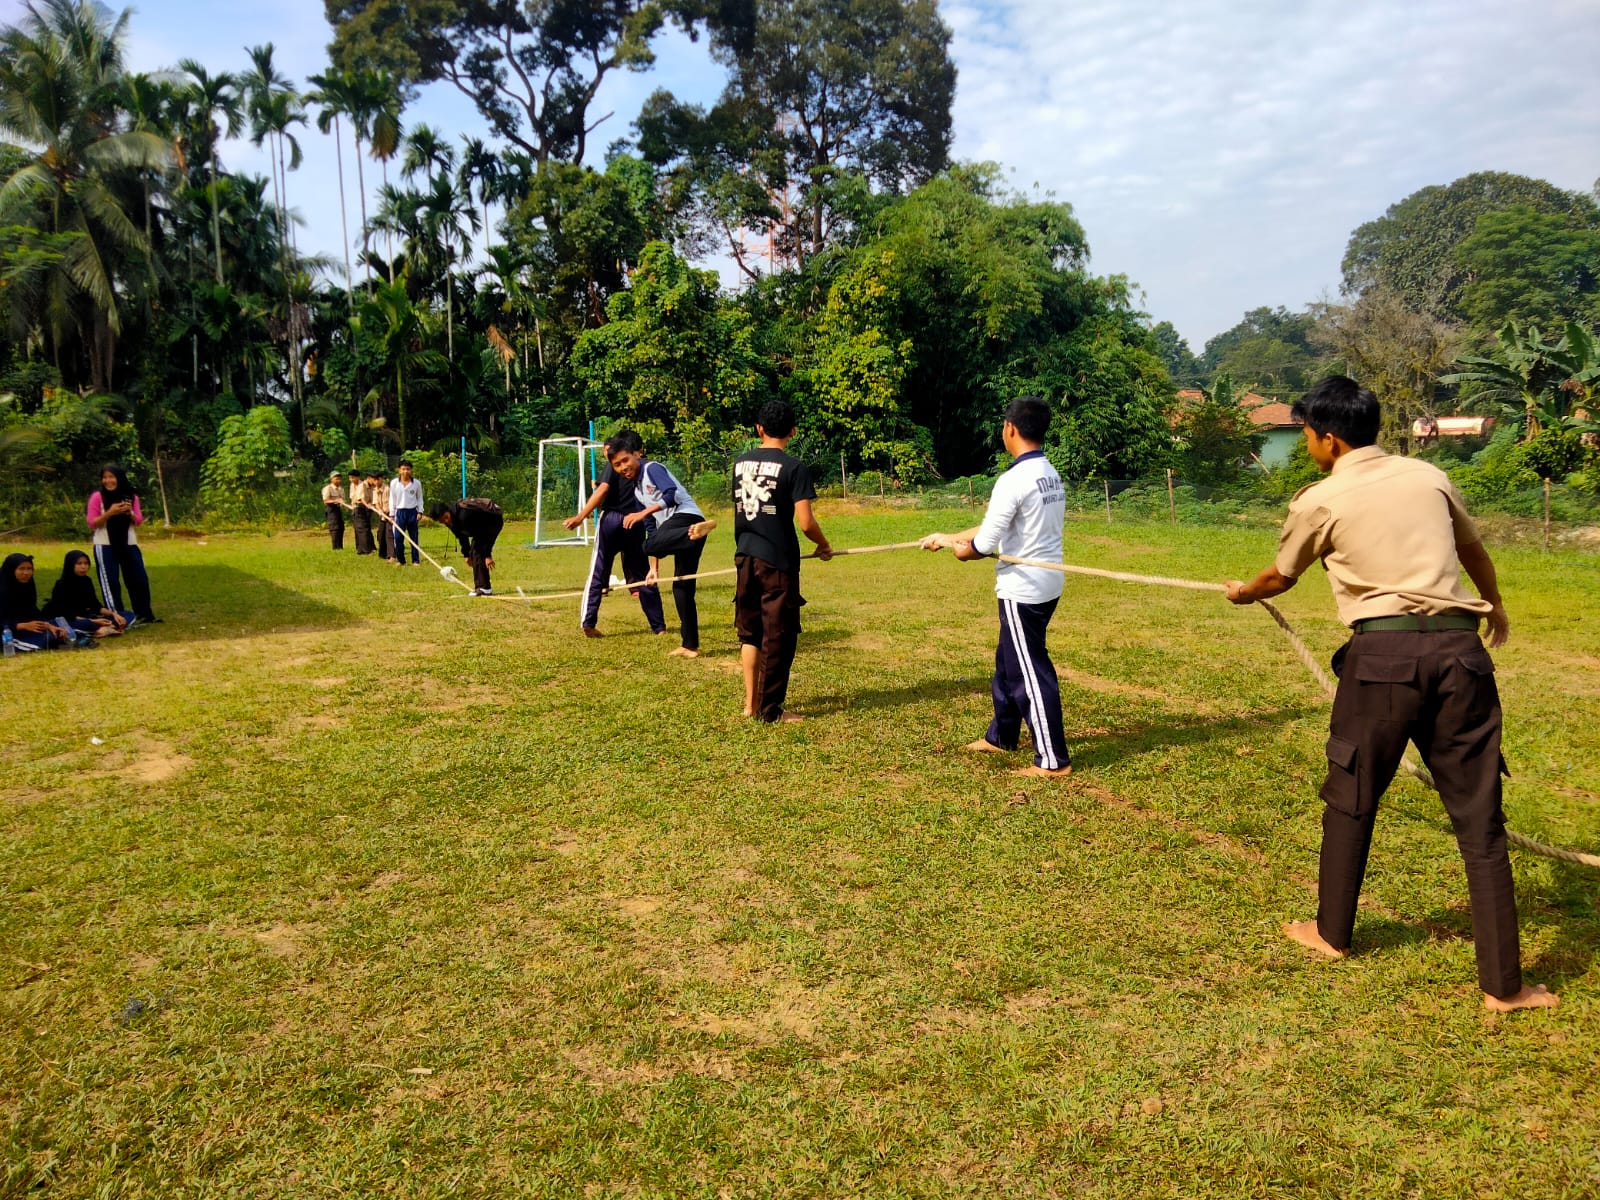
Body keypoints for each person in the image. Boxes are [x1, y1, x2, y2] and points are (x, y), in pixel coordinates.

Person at [1226, 375, 1557, 1013]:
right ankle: (1504, 986)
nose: (1306, 444)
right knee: (1481, 821)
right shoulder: (1428, 477)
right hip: (1462, 656)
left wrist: (1243, 592)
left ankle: (1330, 935)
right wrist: (1497, 610)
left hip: (1382, 661)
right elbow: (1473, 552)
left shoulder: (1319, 500)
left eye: (1306, 435)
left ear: (1327, 437)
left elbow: (1280, 575)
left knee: (1352, 796)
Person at [921, 395, 1070, 778]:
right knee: (1008, 663)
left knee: (1029, 672)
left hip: (1024, 589)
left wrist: (961, 551)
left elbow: (983, 546)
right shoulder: (1047, 473)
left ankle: (1053, 761)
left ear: (1010, 429)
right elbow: (994, 529)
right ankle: (1002, 736)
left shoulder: (1013, 479)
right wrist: (949, 536)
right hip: (1046, 581)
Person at [731, 400, 833, 721]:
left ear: (759, 429)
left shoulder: (739, 464)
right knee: (778, 636)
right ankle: (770, 710)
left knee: (751, 633)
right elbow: (806, 523)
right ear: (793, 430)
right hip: (777, 562)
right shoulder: (794, 468)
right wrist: (824, 545)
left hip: (745, 557)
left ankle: (750, 705)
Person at [609, 431, 713, 657]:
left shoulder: (652, 468)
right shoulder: (637, 490)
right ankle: (690, 645)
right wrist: (653, 570)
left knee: (647, 546)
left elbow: (672, 494)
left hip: (687, 520)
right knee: (682, 587)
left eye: (625, 460)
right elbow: (651, 529)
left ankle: (694, 532)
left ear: (636, 454)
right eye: (617, 465)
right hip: (686, 536)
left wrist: (644, 512)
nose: (623, 467)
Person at [564, 435, 668, 639]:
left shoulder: (615, 465)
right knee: (641, 573)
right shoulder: (648, 468)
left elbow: (602, 489)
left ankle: (588, 621)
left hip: (613, 519)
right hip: (635, 520)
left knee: (599, 570)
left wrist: (581, 516)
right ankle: (659, 627)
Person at [86, 464, 158, 625]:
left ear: (119, 478)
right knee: (111, 582)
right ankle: (117, 616)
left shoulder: (131, 497)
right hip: (105, 544)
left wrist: (130, 512)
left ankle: (143, 613)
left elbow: (138, 520)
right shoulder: (97, 497)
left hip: (129, 543)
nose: (108, 481)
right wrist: (110, 513)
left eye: (111, 477)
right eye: (104, 477)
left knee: (138, 579)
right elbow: (92, 523)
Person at [44, 550, 129, 637]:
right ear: (70, 565)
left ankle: (104, 628)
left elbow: (95, 605)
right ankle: (103, 628)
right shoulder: (62, 584)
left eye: (86, 563)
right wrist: (93, 621)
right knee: (84, 624)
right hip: (66, 618)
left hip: (85, 616)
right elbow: (66, 614)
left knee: (126, 615)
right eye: (79, 563)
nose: (83, 567)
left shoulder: (87, 581)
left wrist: (114, 614)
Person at [429, 498, 504, 595]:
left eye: (446, 517)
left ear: (448, 511)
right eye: (442, 521)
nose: (446, 521)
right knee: (474, 552)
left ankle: (485, 588)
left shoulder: (464, 515)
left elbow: (483, 534)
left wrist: (487, 555)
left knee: (477, 550)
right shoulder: (450, 520)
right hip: (481, 526)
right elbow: (461, 536)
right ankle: (481, 587)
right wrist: (466, 555)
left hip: (493, 521)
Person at [1, 553, 76, 650]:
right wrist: (22, 626)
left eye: (29, 569)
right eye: (21, 569)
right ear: (11, 570)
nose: (26, 573)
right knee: (47, 639)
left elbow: (32, 610)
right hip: (8, 631)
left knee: (60, 626)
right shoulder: (2, 590)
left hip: (27, 627)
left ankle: (60, 640)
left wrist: (47, 625)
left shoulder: (27, 585)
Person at [389, 460, 423, 565]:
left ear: (411, 470)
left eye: (408, 469)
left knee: (414, 537)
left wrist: (420, 511)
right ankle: (401, 560)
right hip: (400, 513)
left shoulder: (416, 483)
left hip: (412, 512)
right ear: (399, 470)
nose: (405, 471)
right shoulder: (394, 483)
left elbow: (419, 499)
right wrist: (392, 514)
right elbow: (392, 499)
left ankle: (415, 560)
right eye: (403, 469)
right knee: (398, 538)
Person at [350, 470, 377, 555]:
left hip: (367, 509)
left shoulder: (372, 486)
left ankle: (364, 549)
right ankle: (366, 550)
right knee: (362, 529)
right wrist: (367, 505)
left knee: (367, 528)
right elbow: (361, 499)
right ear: (369, 478)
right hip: (359, 508)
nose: (375, 482)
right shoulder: (362, 486)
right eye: (374, 479)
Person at [322, 471, 347, 550]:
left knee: (341, 527)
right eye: (336, 479)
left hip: (338, 509)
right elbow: (326, 501)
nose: (339, 481)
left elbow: (343, 499)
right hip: (331, 509)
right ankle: (335, 547)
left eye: (340, 479)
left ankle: (340, 546)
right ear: (332, 479)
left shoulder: (341, 489)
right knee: (334, 528)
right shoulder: (328, 488)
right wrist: (335, 501)